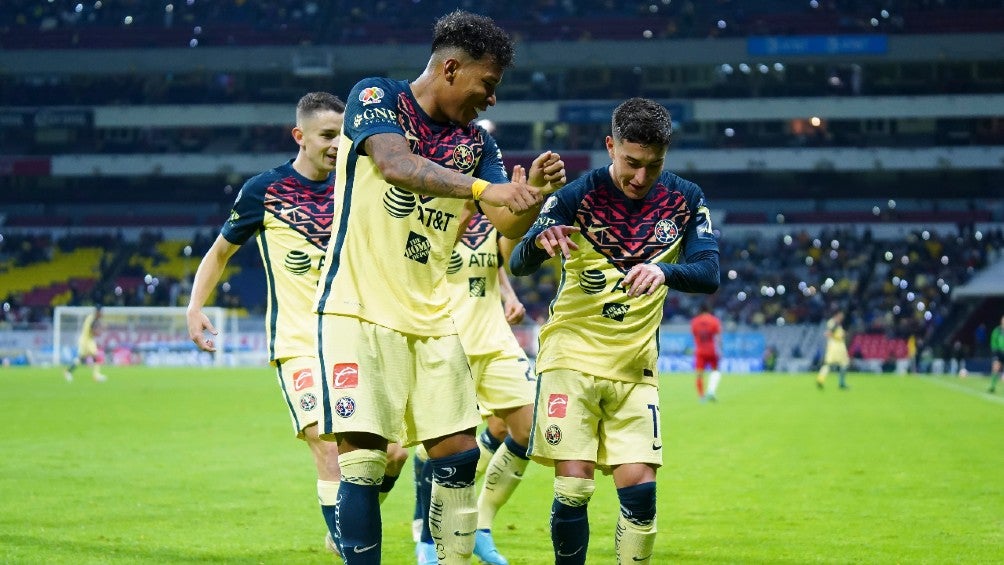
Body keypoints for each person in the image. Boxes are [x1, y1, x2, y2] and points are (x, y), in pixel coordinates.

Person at [312, 11, 548, 563]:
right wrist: (485, 189)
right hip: (357, 307)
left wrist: (529, 198)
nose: (492, 99)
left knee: (459, 457)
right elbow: (395, 164)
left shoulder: (476, 144)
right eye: (487, 83)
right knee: (365, 461)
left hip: (434, 318)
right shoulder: (377, 96)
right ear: (450, 68)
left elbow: (505, 222)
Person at [185, 92, 406, 559]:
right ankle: (352, 547)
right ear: (299, 136)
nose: (337, 145)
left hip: (354, 340)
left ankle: (345, 523)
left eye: (343, 136)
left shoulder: (359, 184)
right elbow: (220, 252)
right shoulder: (264, 190)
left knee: (392, 455)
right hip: (299, 344)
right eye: (327, 135)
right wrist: (195, 306)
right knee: (328, 449)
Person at [510, 97, 720, 564]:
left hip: (635, 365)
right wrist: (540, 241)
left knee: (641, 494)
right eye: (631, 163)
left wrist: (665, 271)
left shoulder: (685, 198)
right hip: (571, 357)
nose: (640, 177)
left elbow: (709, 272)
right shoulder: (576, 196)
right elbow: (518, 262)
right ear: (611, 146)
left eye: (653, 165)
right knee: (574, 485)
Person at [414, 166, 562, 565]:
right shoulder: (425, 213)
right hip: (447, 343)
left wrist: (526, 203)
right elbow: (426, 263)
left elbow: (502, 259)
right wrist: (464, 212)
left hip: (495, 341)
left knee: (530, 431)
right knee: (437, 451)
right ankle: (427, 539)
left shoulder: (490, 221)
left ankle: (480, 525)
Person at [64, 305, 107, 382]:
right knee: (96, 356)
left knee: (80, 358)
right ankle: (96, 375)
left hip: (84, 339)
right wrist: (100, 331)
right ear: (97, 312)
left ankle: (68, 372)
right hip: (87, 341)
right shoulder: (93, 320)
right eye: (101, 312)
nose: (101, 314)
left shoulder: (90, 317)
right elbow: (94, 331)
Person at [690, 303, 722, 401]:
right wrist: (720, 349)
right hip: (712, 350)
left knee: (699, 374)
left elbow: (694, 335)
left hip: (700, 351)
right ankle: (711, 391)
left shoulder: (695, 321)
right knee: (715, 371)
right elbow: (718, 337)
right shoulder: (714, 320)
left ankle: (701, 396)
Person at [816, 311, 850, 390]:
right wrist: (838, 336)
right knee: (844, 363)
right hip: (837, 346)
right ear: (837, 314)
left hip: (833, 346)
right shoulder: (834, 323)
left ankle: (820, 379)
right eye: (841, 315)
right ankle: (841, 383)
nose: (842, 317)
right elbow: (829, 333)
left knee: (828, 364)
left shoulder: (833, 323)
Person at [989, 315, 1003, 393]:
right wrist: (995, 350)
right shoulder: (997, 330)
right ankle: (992, 386)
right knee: (995, 368)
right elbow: (993, 341)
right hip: (998, 352)